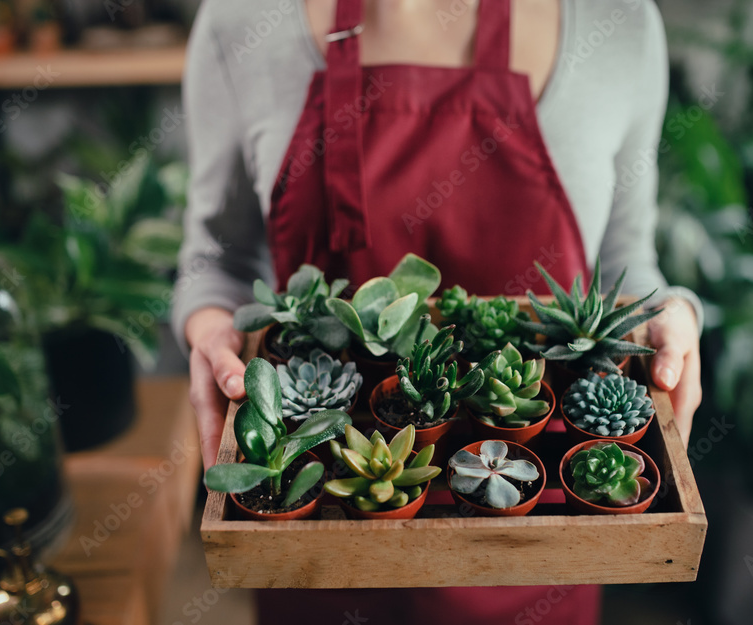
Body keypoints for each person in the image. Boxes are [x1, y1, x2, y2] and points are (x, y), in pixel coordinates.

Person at [173, 1, 703, 623]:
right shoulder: (243, 19)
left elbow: (624, 259)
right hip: (322, 521)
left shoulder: (619, 22)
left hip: (545, 524)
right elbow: (219, 258)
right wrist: (208, 322)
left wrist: (673, 312)